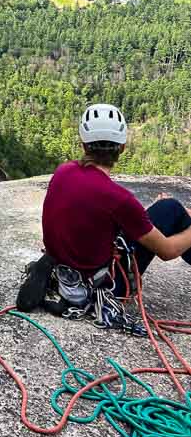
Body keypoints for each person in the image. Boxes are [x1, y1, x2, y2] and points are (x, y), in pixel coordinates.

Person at [18, 103, 191, 313]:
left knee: (166, 209)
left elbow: (101, 215)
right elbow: (168, 251)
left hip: (65, 267)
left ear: (84, 144)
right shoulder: (118, 198)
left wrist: (146, 213)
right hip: (103, 286)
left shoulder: (63, 171)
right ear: (122, 147)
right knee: (171, 209)